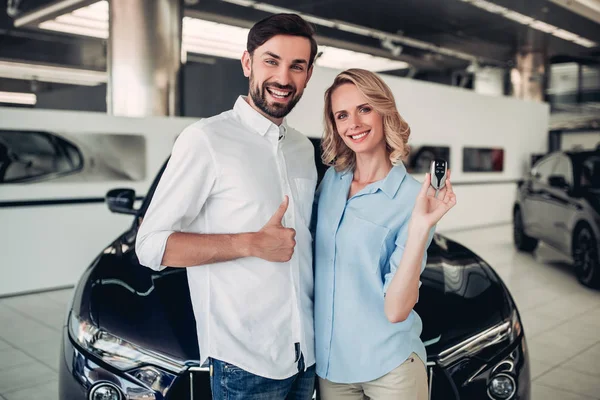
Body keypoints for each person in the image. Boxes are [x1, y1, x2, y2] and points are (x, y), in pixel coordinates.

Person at [136, 13, 319, 400]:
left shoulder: (303, 148)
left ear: (308, 74)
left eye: (296, 66)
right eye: (271, 61)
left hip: (307, 355)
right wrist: (250, 243)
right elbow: (151, 245)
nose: (284, 78)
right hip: (246, 360)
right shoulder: (205, 139)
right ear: (247, 63)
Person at [313, 68, 457, 400]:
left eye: (364, 108)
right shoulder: (331, 183)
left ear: (383, 111)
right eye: (342, 115)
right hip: (332, 368)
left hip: (390, 366)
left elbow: (396, 309)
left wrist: (421, 228)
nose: (354, 123)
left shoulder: (412, 199)